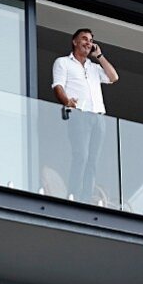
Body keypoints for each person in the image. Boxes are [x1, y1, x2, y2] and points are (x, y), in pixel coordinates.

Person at [52, 28, 119, 202]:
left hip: (98, 117)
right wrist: (67, 101)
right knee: (80, 155)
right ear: (74, 41)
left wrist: (100, 56)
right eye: (84, 39)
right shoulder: (63, 62)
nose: (88, 42)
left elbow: (113, 77)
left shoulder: (95, 67)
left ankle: (86, 197)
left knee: (93, 160)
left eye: (90, 40)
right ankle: (73, 194)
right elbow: (58, 86)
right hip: (79, 114)